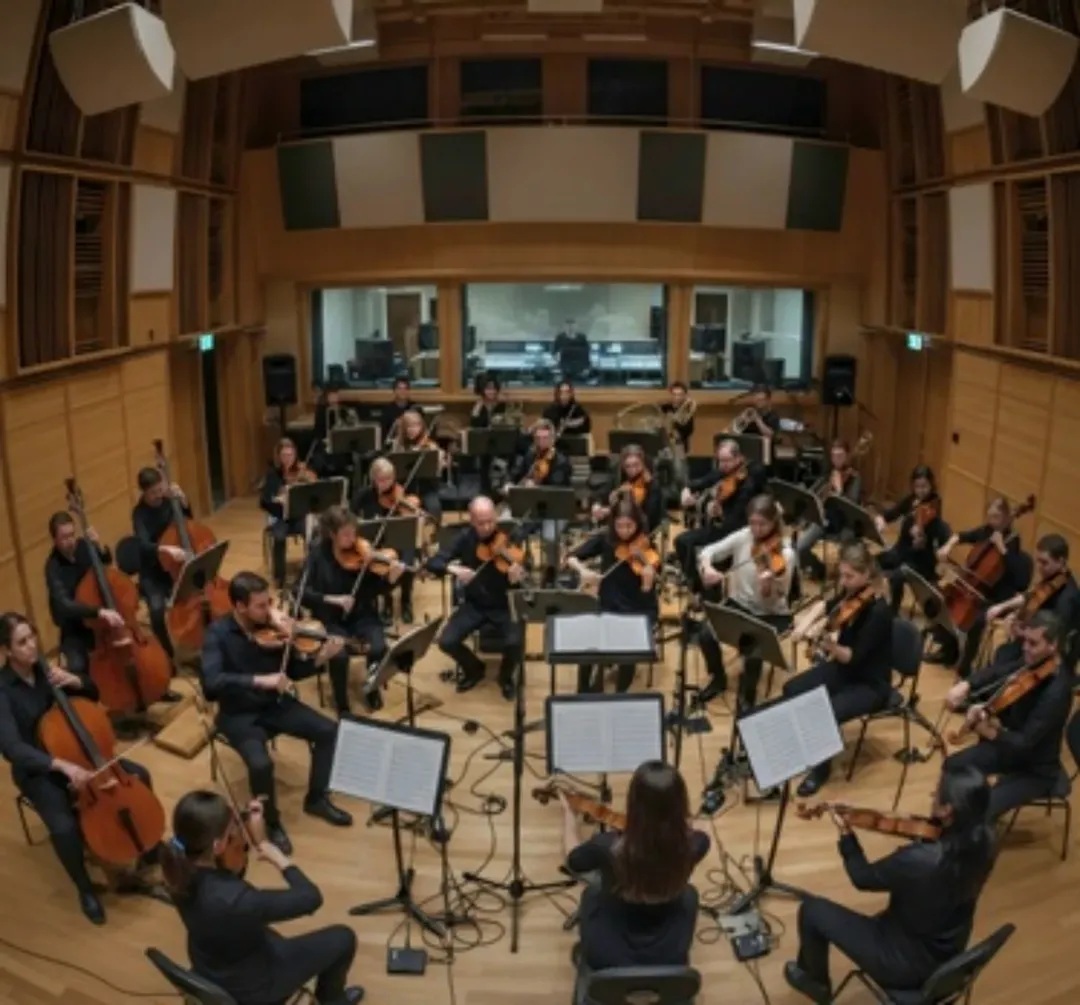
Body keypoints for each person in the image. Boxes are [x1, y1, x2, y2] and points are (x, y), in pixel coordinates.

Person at [784, 765, 996, 1005]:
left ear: (947, 810)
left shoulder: (920, 860)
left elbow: (861, 877)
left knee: (812, 910)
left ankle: (816, 983)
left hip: (904, 963)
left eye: (937, 793)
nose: (932, 794)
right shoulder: (983, 841)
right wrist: (860, 813)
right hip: (947, 952)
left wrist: (846, 833)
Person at [0, 612, 159, 924]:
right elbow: (12, 749)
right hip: (40, 769)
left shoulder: (46, 670)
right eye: (22, 642)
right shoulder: (3, 692)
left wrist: (76, 680)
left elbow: (94, 695)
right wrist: (60, 766)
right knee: (64, 828)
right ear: (6, 650)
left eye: (33, 637)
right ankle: (84, 888)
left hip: (79, 752)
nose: (32, 646)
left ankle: (148, 844)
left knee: (140, 774)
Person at [161, 790, 363, 1005]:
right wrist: (273, 851)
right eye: (235, 827)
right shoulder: (238, 901)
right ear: (218, 846)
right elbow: (311, 898)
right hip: (254, 988)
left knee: (273, 936)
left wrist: (245, 834)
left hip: (210, 962)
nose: (239, 830)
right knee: (344, 938)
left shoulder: (175, 869)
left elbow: (229, 874)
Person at [201, 572, 353, 855]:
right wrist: (259, 680)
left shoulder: (275, 629)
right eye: (260, 605)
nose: (269, 610)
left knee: (329, 731)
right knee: (261, 765)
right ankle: (271, 822)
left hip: (275, 704)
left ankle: (316, 799)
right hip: (239, 715)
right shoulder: (217, 634)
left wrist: (321, 659)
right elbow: (211, 684)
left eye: (269, 602)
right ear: (240, 606)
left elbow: (292, 670)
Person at [560, 761, 709, 972]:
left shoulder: (608, 847)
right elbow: (700, 830)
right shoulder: (696, 844)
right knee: (689, 894)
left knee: (591, 894)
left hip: (608, 951)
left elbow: (573, 860)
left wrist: (569, 817)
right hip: (668, 952)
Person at [784, 542, 893, 796]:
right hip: (845, 670)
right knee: (792, 689)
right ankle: (806, 743)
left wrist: (827, 644)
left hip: (870, 683)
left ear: (867, 574)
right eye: (842, 575)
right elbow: (826, 605)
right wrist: (805, 624)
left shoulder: (879, 612)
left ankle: (821, 770)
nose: (843, 582)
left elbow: (852, 657)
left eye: (849, 576)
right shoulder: (852, 593)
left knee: (824, 711)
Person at [943, 610, 1073, 820]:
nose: (1025, 647)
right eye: (1025, 640)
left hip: (1035, 769)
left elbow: (1026, 742)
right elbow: (999, 671)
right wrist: (966, 685)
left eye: (1033, 643)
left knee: (978, 813)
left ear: (1053, 645)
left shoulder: (1057, 692)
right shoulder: (1034, 662)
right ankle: (945, 818)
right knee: (953, 766)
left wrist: (988, 731)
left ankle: (966, 831)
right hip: (1011, 750)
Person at [298, 506, 406, 717]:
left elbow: (373, 590)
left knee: (379, 647)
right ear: (332, 534)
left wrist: (391, 580)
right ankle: (341, 701)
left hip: (362, 614)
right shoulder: (317, 555)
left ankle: (372, 688)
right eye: (346, 534)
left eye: (354, 532)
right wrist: (332, 599)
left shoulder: (362, 554)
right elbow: (300, 591)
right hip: (331, 618)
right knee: (339, 656)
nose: (353, 538)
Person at [695, 494, 795, 709]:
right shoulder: (744, 536)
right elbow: (708, 551)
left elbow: (781, 595)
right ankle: (718, 678)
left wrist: (769, 587)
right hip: (739, 604)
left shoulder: (785, 554)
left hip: (769, 614)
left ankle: (747, 697)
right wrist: (708, 568)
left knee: (753, 649)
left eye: (763, 524)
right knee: (705, 634)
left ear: (774, 522)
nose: (756, 530)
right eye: (752, 523)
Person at [429, 497, 526, 699]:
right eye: (481, 523)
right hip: (475, 605)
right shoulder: (464, 538)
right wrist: (453, 569)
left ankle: (505, 677)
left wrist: (519, 576)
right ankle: (474, 669)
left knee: (515, 642)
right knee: (446, 641)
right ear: (472, 521)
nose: (488, 527)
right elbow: (434, 562)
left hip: (505, 604)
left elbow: (528, 568)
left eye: (491, 521)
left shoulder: (511, 534)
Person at [565, 497, 660, 693]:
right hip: (608, 606)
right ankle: (582, 692)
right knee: (587, 649)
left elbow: (648, 598)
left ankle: (620, 694)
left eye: (629, 526)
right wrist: (583, 571)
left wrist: (647, 583)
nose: (624, 531)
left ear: (638, 524)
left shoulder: (647, 547)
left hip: (636, 610)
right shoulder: (606, 539)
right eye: (619, 526)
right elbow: (570, 557)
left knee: (628, 654)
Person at [932, 497, 1032, 675]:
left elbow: (1017, 574)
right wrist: (948, 546)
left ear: (1007, 518)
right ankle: (948, 651)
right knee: (943, 598)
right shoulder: (987, 531)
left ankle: (965, 667)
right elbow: (962, 535)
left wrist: (1002, 549)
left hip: (997, 595)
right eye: (989, 516)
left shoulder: (1013, 541)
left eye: (996, 517)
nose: (992, 521)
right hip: (975, 588)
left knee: (977, 621)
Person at [978, 533, 1080, 672]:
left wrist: (1022, 630)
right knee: (1002, 650)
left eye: (1044, 562)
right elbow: (1032, 595)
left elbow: (1054, 636)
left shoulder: (1067, 598)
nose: (1039, 566)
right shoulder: (1055, 578)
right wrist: (1004, 608)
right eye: (1038, 561)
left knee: (1005, 657)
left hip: (1049, 655)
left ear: (1061, 561)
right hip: (1034, 639)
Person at [674, 438, 765, 591]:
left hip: (738, 530)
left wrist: (720, 513)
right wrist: (687, 489)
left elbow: (738, 517)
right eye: (720, 461)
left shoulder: (749, 481)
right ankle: (696, 584)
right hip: (721, 526)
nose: (723, 465)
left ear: (739, 458)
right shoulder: (724, 472)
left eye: (727, 461)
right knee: (681, 541)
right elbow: (703, 481)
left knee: (684, 542)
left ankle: (699, 588)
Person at [44, 510, 125, 679]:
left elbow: (106, 565)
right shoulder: (53, 568)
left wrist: (98, 546)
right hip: (75, 627)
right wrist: (98, 612)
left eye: (72, 535)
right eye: (64, 537)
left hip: (101, 620)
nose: (70, 541)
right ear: (55, 540)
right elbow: (65, 605)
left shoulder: (83, 547)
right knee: (77, 667)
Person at [352, 456, 423, 623]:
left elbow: (412, 518)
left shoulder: (400, 493)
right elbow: (350, 516)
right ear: (373, 479)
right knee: (381, 562)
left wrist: (414, 513)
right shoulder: (364, 495)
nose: (386, 483)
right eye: (381, 480)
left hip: (400, 540)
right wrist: (360, 523)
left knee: (407, 561)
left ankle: (406, 600)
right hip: (376, 541)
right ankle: (387, 601)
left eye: (389, 479)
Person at [132, 465, 190, 659]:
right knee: (156, 611)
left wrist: (183, 501)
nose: (159, 495)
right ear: (144, 492)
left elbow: (187, 522)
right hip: (153, 573)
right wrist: (165, 549)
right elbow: (143, 544)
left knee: (196, 595)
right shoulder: (139, 514)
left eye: (160, 489)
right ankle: (167, 655)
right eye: (153, 493)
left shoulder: (168, 501)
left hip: (176, 567)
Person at [874, 465, 949, 615]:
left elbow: (937, 536)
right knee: (872, 563)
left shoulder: (934, 506)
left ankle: (893, 611)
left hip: (920, 561)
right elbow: (893, 512)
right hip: (901, 551)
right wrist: (881, 519)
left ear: (931, 485)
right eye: (917, 486)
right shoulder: (912, 500)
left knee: (896, 576)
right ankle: (874, 601)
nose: (921, 491)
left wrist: (922, 538)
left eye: (924, 486)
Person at [509, 419, 573, 579]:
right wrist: (509, 484)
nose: (541, 442)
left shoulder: (561, 461)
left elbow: (556, 489)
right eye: (538, 438)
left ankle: (552, 571)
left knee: (549, 537)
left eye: (545, 438)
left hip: (556, 509)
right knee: (512, 529)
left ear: (552, 439)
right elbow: (517, 474)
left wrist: (536, 487)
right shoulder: (530, 456)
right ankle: (521, 565)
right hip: (532, 508)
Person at [797, 439, 864, 582]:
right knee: (800, 547)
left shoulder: (855, 477)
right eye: (834, 456)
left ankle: (846, 580)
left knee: (849, 555)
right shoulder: (828, 474)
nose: (836, 460)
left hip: (846, 523)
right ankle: (820, 570)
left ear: (847, 456)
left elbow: (851, 506)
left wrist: (839, 490)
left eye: (840, 456)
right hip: (826, 520)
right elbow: (812, 496)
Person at [259, 438, 312, 590]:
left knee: (312, 535)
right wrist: (277, 501)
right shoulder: (272, 474)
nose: (288, 459)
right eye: (284, 455)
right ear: (279, 456)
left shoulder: (301, 472)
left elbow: (312, 494)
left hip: (298, 516)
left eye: (291, 455)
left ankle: (310, 573)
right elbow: (264, 501)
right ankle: (280, 577)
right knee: (279, 537)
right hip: (280, 517)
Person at [388, 407, 444, 523]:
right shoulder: (398, 445)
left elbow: (438, 470)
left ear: (421, 427)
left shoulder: (430, 445)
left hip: (427, 488)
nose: (412, 430)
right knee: (402, 508)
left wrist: (440, 460)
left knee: (435, 508)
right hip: (405, 488)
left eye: (415, 426)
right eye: (408, 427)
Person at [591, 443, 663, 533]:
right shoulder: (619, 478)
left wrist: (611, 511)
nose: (633, 470)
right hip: (617, 528)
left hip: (641, 530)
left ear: (643, 464)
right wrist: (597, 505)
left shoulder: (652, 485)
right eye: (628, 466)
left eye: (636, 465)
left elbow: (649, 517)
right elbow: (602, 492)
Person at [661, 381, 695, 455]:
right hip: (665, 445)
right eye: (674, 394)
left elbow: (689, 430)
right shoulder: (664, 408)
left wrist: (675, 422)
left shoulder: (687, 410)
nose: (676, 397)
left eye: (679, 395)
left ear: (684, 396)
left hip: (680, 445)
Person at [380, 375, 414, 444]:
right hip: (394, 444)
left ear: (408, 391)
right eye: (399, 388)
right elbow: (384, 435)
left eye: (405, 388)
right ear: (394, 391)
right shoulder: (387, 410)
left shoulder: (415, 408)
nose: (403, 391)